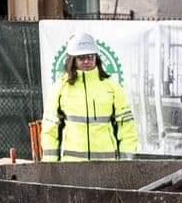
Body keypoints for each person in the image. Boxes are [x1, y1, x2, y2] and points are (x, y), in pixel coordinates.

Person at [49, 32, 140, 160]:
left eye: (90, 57)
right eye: (81, 58)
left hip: (106, 165)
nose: (86, 61)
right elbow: (50, 129)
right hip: (71, 167)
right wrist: (50, 165)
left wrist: (126, 163)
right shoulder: (60, 88)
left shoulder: (112, 87)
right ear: (72, 60)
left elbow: (126, 127)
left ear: (96, 58)